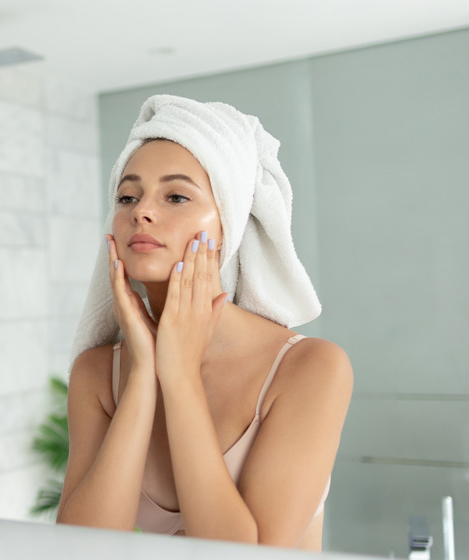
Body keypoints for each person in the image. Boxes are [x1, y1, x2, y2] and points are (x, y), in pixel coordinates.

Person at [56, 95, 352, 549]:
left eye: (176, 196)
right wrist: (142, 379)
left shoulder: (309, 368)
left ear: (227, 222)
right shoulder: (98, 374)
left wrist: (178, 376)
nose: (141, 211)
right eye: (127, 196)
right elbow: (78, 550)